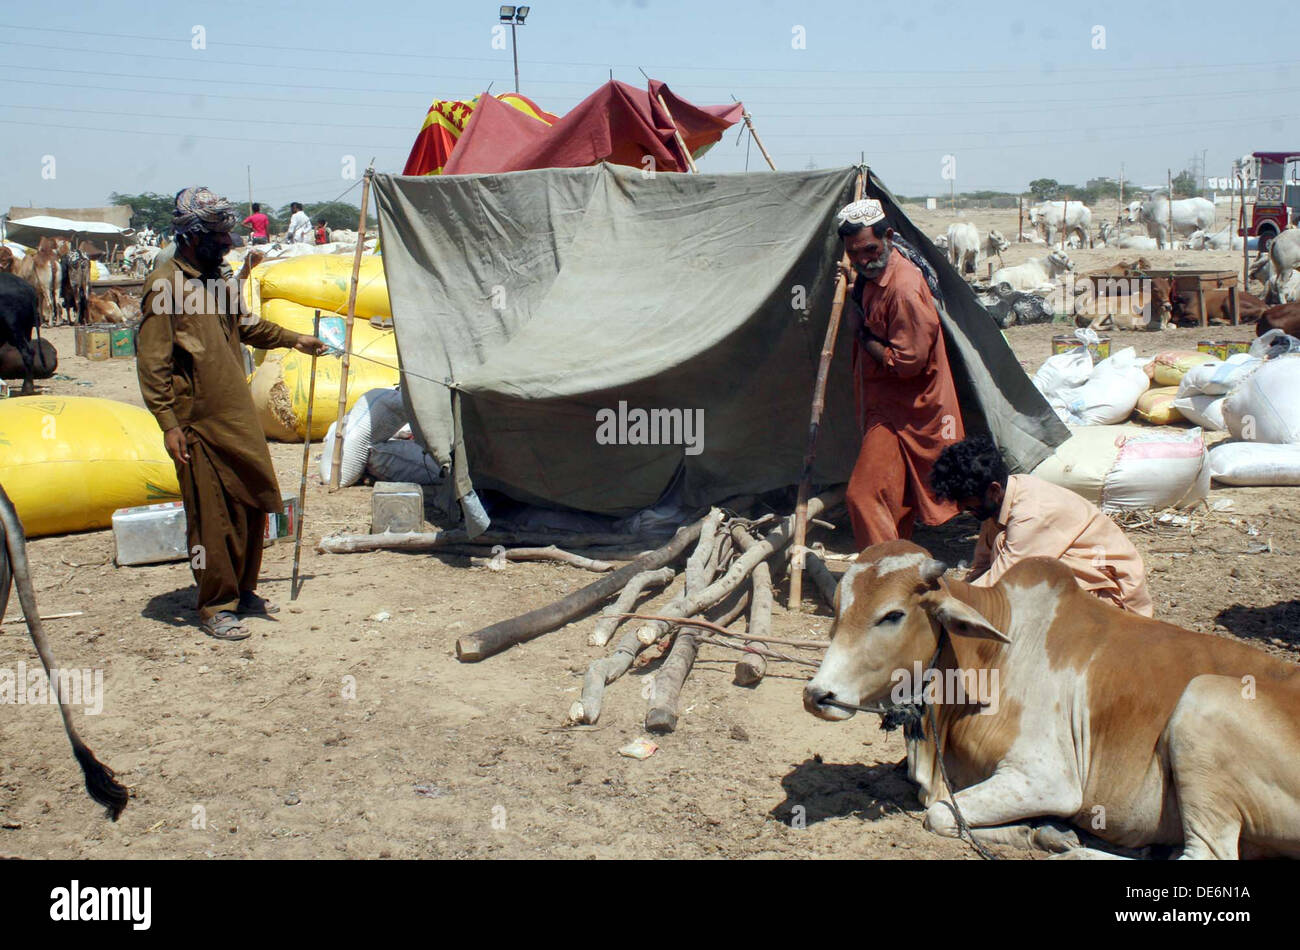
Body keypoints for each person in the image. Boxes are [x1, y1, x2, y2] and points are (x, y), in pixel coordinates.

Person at [137, 187, 328, 640]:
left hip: (235, 415)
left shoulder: (215, 279)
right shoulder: (166, 285)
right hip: (196, 420)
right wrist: (169, 424)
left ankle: (244, 591)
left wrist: (294, 338)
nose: (227, 242)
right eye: (218, 234)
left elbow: (245, 326)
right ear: (191, 236)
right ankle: (215, 604)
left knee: (252, 502)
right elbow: (153, 362)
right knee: (212, 515)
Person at [835, 198, 965, 550]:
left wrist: (861, 332)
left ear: (888, 236)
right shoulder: (871, 275)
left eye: (870, 250)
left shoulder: (904, 288)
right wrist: (852, 288)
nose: (863, 260)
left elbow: (908, 364)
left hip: (909, 411)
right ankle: (900, 569)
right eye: (854, 253)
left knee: (863, 495)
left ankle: (887, 575)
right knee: (894, 499)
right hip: (887, 405)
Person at [929, 435, 1154, 616]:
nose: (962, 508)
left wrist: (942, 601)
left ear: (994, 490)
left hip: (1111, 598)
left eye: (965, 501)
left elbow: (1000, 581)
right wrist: (955, 590)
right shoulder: (998, 502)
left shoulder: (1033, 513)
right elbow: (982, 566)